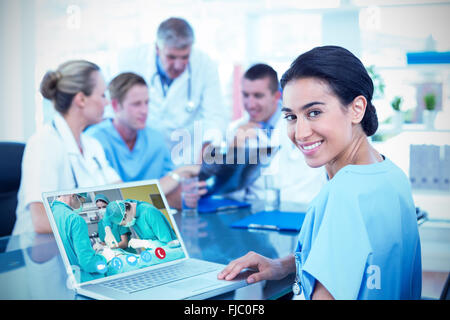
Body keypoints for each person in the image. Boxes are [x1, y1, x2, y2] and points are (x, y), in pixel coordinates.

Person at [218, 46, 422, 300]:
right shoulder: (391, 174)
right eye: (291, 116)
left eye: (314, 113)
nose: (300, 133)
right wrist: (282, 266)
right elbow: (352, 257)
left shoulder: (344, 193)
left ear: (357, 109)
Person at [13, 60, 121, 235]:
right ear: (81, 99)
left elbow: (121, 194)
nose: (107, 103)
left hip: (85, 247)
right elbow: (41, 221)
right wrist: (104, 221)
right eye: (102, 95)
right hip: (40, 254)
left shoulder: (92, 145)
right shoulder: (44, 143)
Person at [86, 72, 206, 209]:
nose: (144, 110)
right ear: (115, 106)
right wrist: (177, 175)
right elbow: (111, 201)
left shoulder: (155, 139)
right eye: (136, 104)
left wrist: (185, 194)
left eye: (147, 103)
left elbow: (173, 190)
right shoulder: (94, 141)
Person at [117, 17, 229, 163]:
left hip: (188, 154)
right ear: (157, 48)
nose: (178, 65)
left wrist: (206, 148)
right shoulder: (131, 60)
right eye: (171, 57)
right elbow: (116, 110)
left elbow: (215, 116)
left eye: (185, 57)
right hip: (142, 152)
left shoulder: (204, 64)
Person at [227, 63, 327, 203]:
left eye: (258, 96)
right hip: (258, 215)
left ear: (276, 96)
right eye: (245, 95)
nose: (250, 104)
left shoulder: (303, 123)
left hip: (302, 209)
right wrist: (236, 150)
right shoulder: (237, 130)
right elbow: (232, 194)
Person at [50, 193, 114, 282]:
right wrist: (104, 258)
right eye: (82, 201)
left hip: (64, 280)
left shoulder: (49, 213)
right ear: (73, 195)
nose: (81, 205)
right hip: (83, 280)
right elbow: (87, 262)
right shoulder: (75, 219)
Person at [103, 199, 179, 250]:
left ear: (125, 214)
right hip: (155, 252)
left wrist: (145, 243)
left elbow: (169, 244)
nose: (125, 225)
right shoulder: (125, 205)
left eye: (123, 224)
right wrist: (108, 231)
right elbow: (108, 214)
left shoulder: (149, 212)